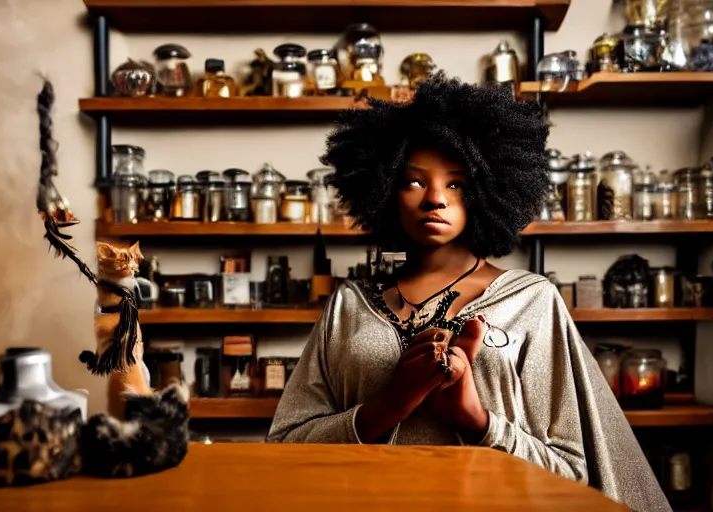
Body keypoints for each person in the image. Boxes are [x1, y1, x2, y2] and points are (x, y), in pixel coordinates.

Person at [266, 73, 670, 512]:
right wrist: (388, 404)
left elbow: (572, 472)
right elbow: (286, 444)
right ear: (384, 190)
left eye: (456, 183)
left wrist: (477, 422)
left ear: (486, 193)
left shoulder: (532, 301)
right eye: (414, 181)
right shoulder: (349, 306)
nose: (435, 198)